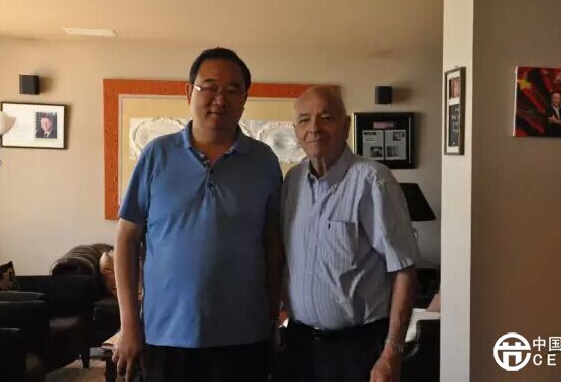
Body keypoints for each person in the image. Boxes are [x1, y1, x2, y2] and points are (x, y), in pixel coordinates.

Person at [112, 48, 283, 382]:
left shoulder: (264, 161)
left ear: (244, 100)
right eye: (210, 87)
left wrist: (273, 317)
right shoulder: (157, 155)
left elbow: (273, 246)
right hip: (166, 334)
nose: (220, 99)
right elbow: (127, 240)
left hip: (244, 334)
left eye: (232, 90)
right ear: (189, 92)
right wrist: (129, 323)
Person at [281, 85, 418, 382]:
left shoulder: (373, 181)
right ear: (296, 131)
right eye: (304, 120)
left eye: (326, 117)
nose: (314, 128)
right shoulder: (292, 182)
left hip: (358, 349)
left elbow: (404, 270)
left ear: (346, 126)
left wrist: (392, 353)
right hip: (300, 346)